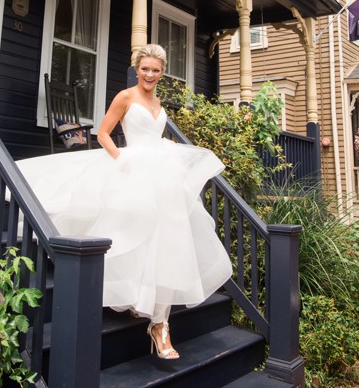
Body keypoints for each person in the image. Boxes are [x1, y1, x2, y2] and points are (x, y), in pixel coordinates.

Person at [16, 44, 232, 360]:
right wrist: (121, 161)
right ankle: (151, 316)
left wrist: (165, 146)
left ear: (162, 72)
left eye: (156, 70)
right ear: (137, 68)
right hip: (132, 170)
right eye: (145, 68)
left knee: (168, 240)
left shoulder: (158, 101)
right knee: (137, 236)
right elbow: (103, 134)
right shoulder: (125, 97)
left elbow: (154, 135)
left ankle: (159, 323)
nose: (150, 74)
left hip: (161, 175)